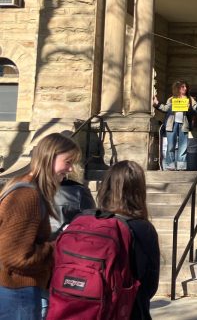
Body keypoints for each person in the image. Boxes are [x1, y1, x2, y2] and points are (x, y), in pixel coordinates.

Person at [0, 133, 81, 320]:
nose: (69, 169)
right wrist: (57, 245)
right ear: (49, 157)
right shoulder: (26, 196)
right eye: (67, 162)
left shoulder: (26, 188)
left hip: (18, 292)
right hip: (17, 293)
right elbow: (17, 257)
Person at [96, 160, 160, 320]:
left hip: (86, 307)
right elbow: (149, 285)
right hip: (128, 310)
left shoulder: (89, 221)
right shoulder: (142, 229)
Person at [153, 80, 197, 171]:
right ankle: (170, 166)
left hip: (184, 124)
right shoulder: (171, 99)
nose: (185, 88)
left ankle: (181, 167)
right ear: (177, 88)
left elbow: (194, 112)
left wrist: (189, 108)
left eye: (186, 87)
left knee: (183, 146)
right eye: (182, 87)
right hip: (171, 124)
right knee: (171, 145)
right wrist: (157, 104)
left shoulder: (190, 99)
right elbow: (165, 108)